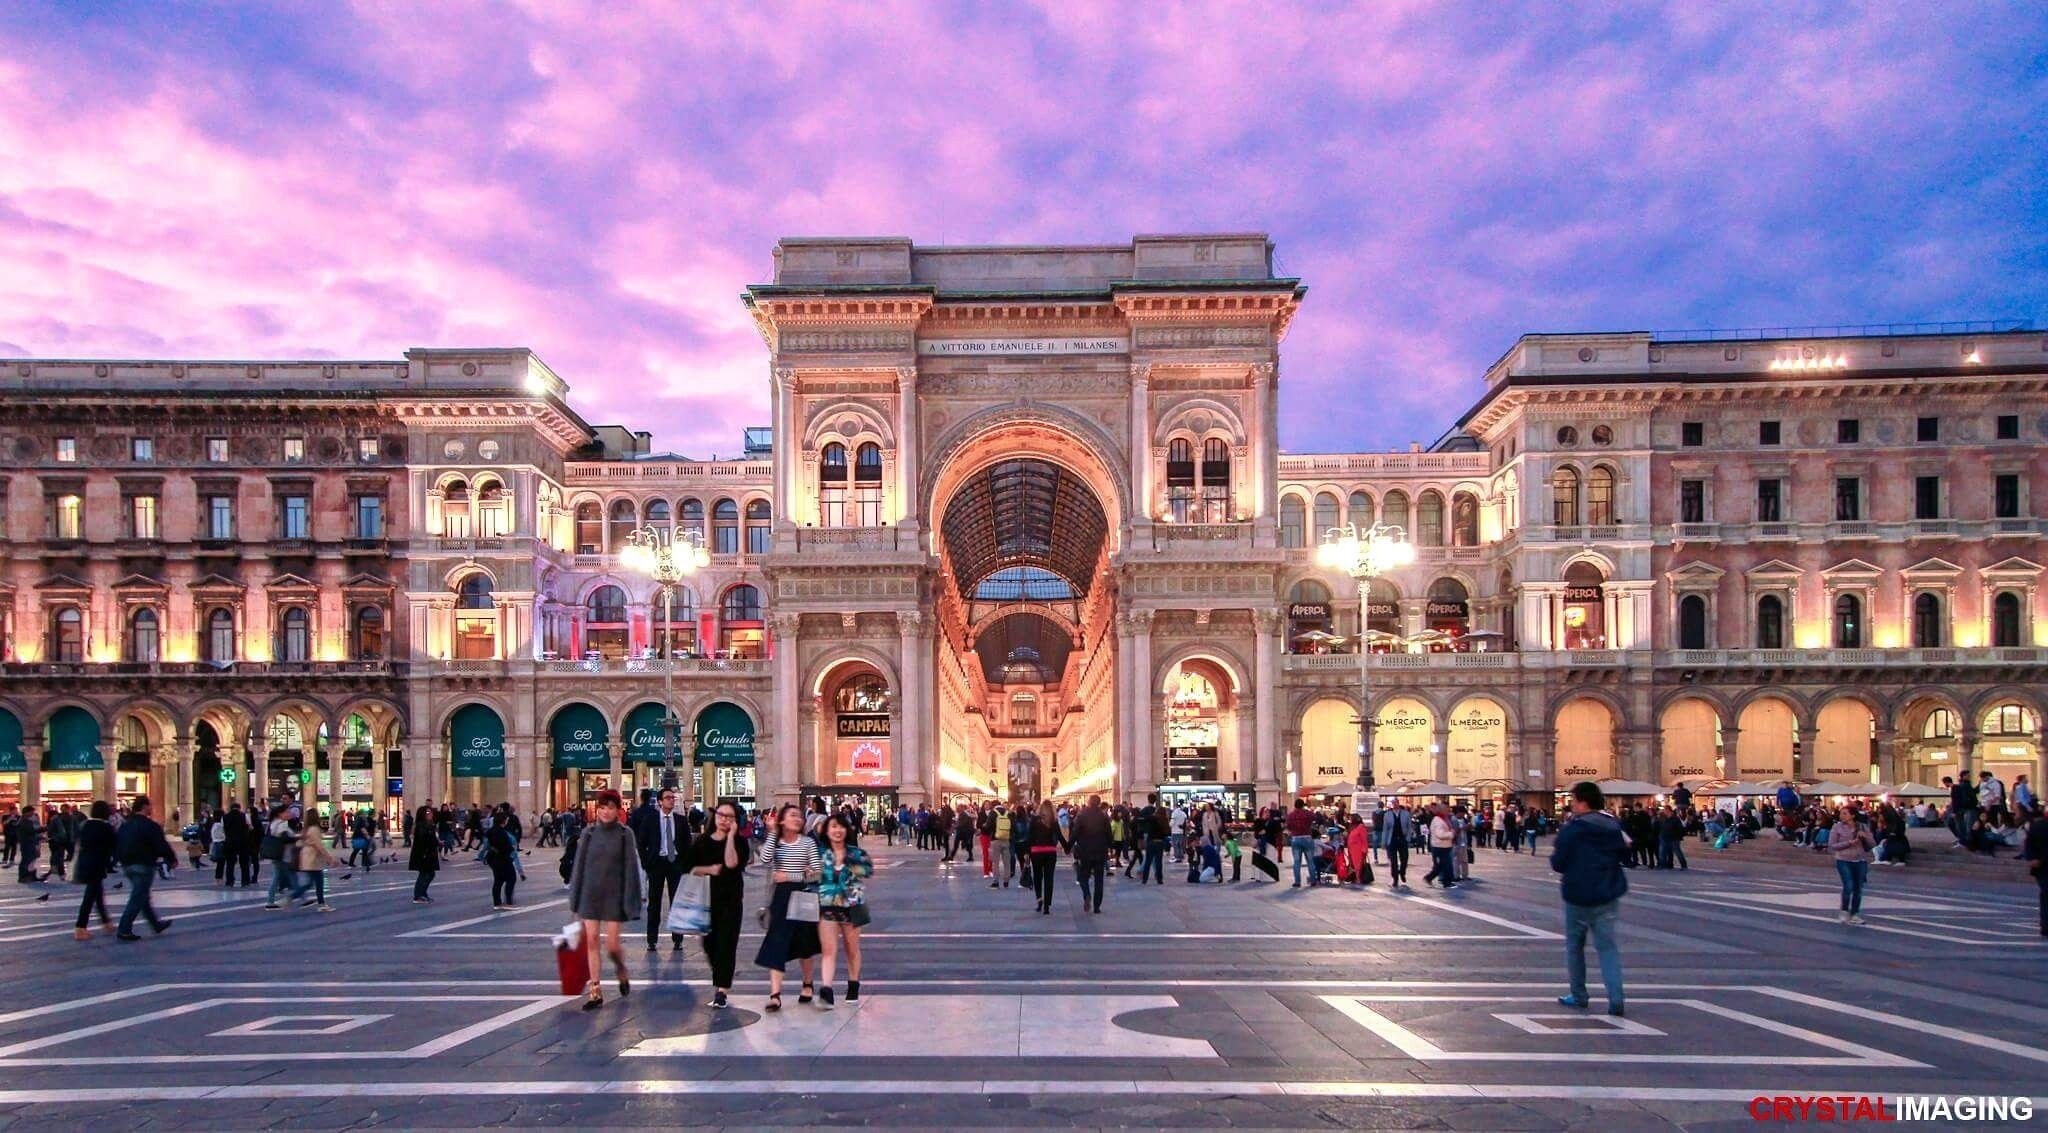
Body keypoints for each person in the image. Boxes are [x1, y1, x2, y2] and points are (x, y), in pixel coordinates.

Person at [1551, 781, 1626, 1016]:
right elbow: (1625, 853)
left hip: (1578, 895)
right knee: (1607, 948)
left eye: (1573, 800)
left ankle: (1579, 995)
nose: (1571, 805)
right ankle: (1616, 998)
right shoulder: (1612, 826)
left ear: (1583, 802)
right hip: (1607, 893)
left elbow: (1558, 862)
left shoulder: (1572, 829)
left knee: (1575, 947)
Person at [565, 790, 640, 1010]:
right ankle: (595, 990)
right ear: (598, 809)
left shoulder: (625, 835)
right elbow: (579, 867)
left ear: (618, 810)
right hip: (590, 894)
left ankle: (621, 969)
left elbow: (631, 869)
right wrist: (575, 899)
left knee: (613, 946)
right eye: (603, 807)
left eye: (611, 807)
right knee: (592, 941)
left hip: (614, 895)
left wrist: (631, 900)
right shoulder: (588, 834)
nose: (606, 812)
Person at [755, 803, 822, 1010]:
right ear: (782, 820)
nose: (797, 819)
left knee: (805, 943)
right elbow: (765, 859)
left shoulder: (808, 843)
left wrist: (790, 875)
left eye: (799, 816)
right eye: (792, 815)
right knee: (776, 942)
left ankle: (808, 983)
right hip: (781, 896)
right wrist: (773, 833)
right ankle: (775, 994)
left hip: (803, 893)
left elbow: (817, 873)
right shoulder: (776, 843)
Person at [687, 800, 751, 1009]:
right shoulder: (703, 841)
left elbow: (732, 863)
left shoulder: (740, 842)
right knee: (709, 943)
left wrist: (731, 837)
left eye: (729, 816)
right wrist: (708, 870)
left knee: (727, 943)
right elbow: (689, 867)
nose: (724, 819)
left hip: (731, 899)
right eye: (721, 815)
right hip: (706, 899)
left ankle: (721, 988)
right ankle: (720, 975)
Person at [815, 814, 871, 1009]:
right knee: (828, 950)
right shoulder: (820, 853)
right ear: (827, 831)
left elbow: (868, 870)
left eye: (841, 827)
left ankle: (853, 984)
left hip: (852, 905)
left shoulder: (855, 852)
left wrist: (851, 866)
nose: (837, 831)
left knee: (851, 948)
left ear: (847, 830)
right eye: (833, 827)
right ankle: (827, 990)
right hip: (828, 905)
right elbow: (812, 876)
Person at [112, 795, 177, 941]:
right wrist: (171, 859)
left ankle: (155, 924)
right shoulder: (150, 825)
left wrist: (117, 860)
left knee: (142, 895)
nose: (151, 808)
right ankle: (124, 929)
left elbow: (118, 843)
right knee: (138, 896)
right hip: (144, 864)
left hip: (127, 864)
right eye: (150, 806)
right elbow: (161, 844)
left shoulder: (125, 825)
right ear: (144, 806)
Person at [635, 788, 691, 953]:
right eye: (668, 798)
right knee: (654, 903)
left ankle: (678, 939)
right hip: (657, 864)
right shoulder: (650, 819)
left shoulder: (680, 820)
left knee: (677, 902)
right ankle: (652, 939)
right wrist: (646, 862)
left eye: (673, 798)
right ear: (660, 801)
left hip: (675, 864)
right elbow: (641, 842)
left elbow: (687, 843)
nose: (671, 800)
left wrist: (685, 864)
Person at [72, 800, 117, 941]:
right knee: (90, 896)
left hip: (85, 862)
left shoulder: (85, 825)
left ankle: (106, 922)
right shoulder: (105, 827)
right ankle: (80, 926)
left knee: (97, 894)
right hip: (98, 864)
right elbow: (113, 845)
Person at [1069, 795, 1111, 913]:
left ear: (1088, 802)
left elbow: (1075, 832)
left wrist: (1068, 846)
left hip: (1085, 851)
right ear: (1099, 803)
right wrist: (1110, 846)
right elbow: (1108, 833)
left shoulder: (1082, 815)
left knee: (1083, 876)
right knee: (1099, 879)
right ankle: (1097, 906)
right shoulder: (1104, 816)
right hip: (1100, 851)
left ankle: (1087, 894)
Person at [1026, 800, 1066, 915]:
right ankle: (1047, 906)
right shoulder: (1053, 821)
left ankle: (1039, 900)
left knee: (1037, 877)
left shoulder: (1034, 820)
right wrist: (1068, 847)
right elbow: (1060, 837)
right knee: (1049, 879)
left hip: (1036, 852)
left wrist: (1027, 852)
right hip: (1050, 852)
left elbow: (1029, 837)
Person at [293, 817, 338, 911]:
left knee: (311, 883)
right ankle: (321, 904)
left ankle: (289, 898)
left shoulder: (306, 829)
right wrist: (329, 859)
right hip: (312, 858)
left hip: (306, 857)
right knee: (318, 882)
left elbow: (299, 843)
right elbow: (319, 846)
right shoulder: (314, 829)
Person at [2022, 806, 2048, 938]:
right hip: (2043, 865)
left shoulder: (2036, 826)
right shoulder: (2038, 827)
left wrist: (2033, 858)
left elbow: (2028, 844)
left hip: (2040, 867)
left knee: (2045, 895)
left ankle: (2045, 925)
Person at [484, 810, 519, 909]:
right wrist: (511, 849)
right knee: (511, 878)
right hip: (502, 859)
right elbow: (503, 845)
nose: (507, 821)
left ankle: (497, 903)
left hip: (493, 858)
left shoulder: (491, 830)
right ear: (502, 821)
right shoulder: (500, 832)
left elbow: (489, 843)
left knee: (498, 880)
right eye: (506, 820)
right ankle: (508, 902)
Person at [408, 805, 440, 903]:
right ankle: (418, 895)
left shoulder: (428, 825)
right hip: (424, 854)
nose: (430, 814)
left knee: (428, 874)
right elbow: (424, 839)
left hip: (427, 853)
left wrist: (437, 842)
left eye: (430, 812)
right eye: (427, 812)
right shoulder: (422, 825)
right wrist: (435, 842)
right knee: (426, 874)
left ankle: (422, 894)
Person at [1421, 804, 1458, 889]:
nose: (1448, 810)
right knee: (1445, 864)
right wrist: (1451, 834)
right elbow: (1440, 834)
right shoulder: (1438, 820)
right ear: (1441, 810)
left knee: (1441, 865)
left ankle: (1429, 878)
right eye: (1446, 809)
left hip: (1445, 846)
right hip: (1439, 847)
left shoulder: (1444, 819)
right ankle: (1447, 882)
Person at [1285, 798, 1318, 888]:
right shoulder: (1307, 813)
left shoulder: (1291, 815)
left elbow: (1288, 826)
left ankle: (1297, 882)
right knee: (1310, 861)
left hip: (1295, 838)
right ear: (1303, 805)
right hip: (1307, 837)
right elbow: (1315, 818)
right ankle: (1313, 881)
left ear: (1295, 805)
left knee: (1296, 862)